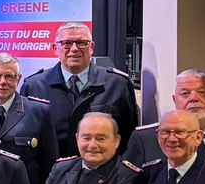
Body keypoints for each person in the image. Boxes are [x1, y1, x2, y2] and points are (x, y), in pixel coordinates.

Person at [19, 22, 139, 156]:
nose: (74, 49)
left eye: (82, 43)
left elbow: (130, 139)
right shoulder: (34, 86)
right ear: (55, 48)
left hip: (103, 173)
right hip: (51, 174)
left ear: (91, 47)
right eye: (67, 43)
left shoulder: (118, 85)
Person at [124, 69, 205, 170]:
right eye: (185, 93)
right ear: (175, 101)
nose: (193, 98)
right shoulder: (146, 140)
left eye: (202, 92)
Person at [0, 53, 58, 184]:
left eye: (9, 76)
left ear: (18, 79)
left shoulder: (38, 111)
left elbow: (49, 165)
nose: (2, 82)